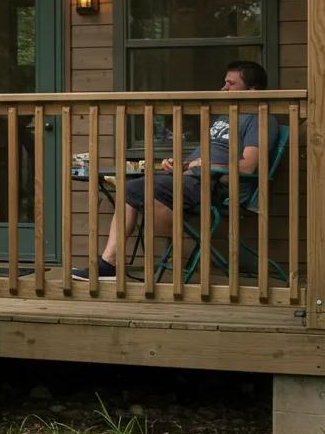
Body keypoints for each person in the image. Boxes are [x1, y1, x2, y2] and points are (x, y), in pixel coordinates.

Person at [73, 60, 278, 281]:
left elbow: (248, 166)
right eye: (224, 83)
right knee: (131, 188)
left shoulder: (260, 118)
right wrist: (178, 165)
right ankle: (110, 263)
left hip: (221, 185)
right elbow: (200, 159)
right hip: (194, 179)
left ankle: (177, 252)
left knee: (148, 188)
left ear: (253, 89)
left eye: (231, 84)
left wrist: (208, 167)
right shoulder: (223, 116)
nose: (223, 89)